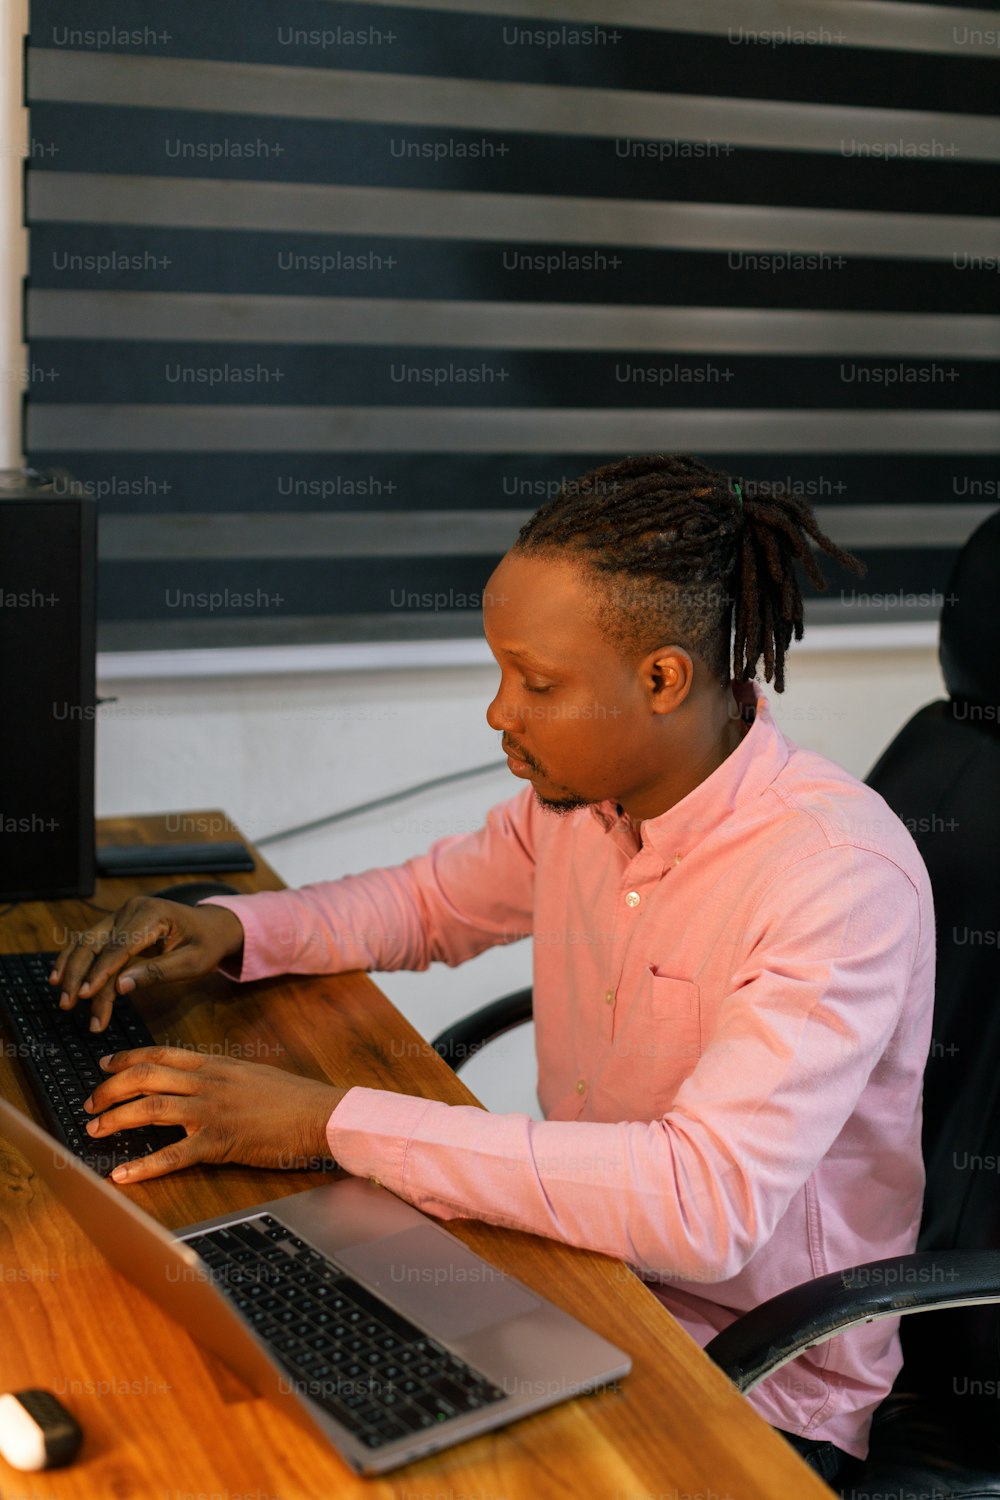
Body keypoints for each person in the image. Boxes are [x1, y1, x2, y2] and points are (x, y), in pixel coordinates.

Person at [51, 454, 935, 1478]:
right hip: (580, 1270)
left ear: (661, 679)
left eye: (538, 682)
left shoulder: (833, 876)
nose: (498, 714)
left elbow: (700, 1209)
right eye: (499, 670)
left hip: (756, 1377)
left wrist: (322, 1123)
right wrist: (239, 930)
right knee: (245, 1358)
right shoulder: (585, 803)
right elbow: (427, 904)